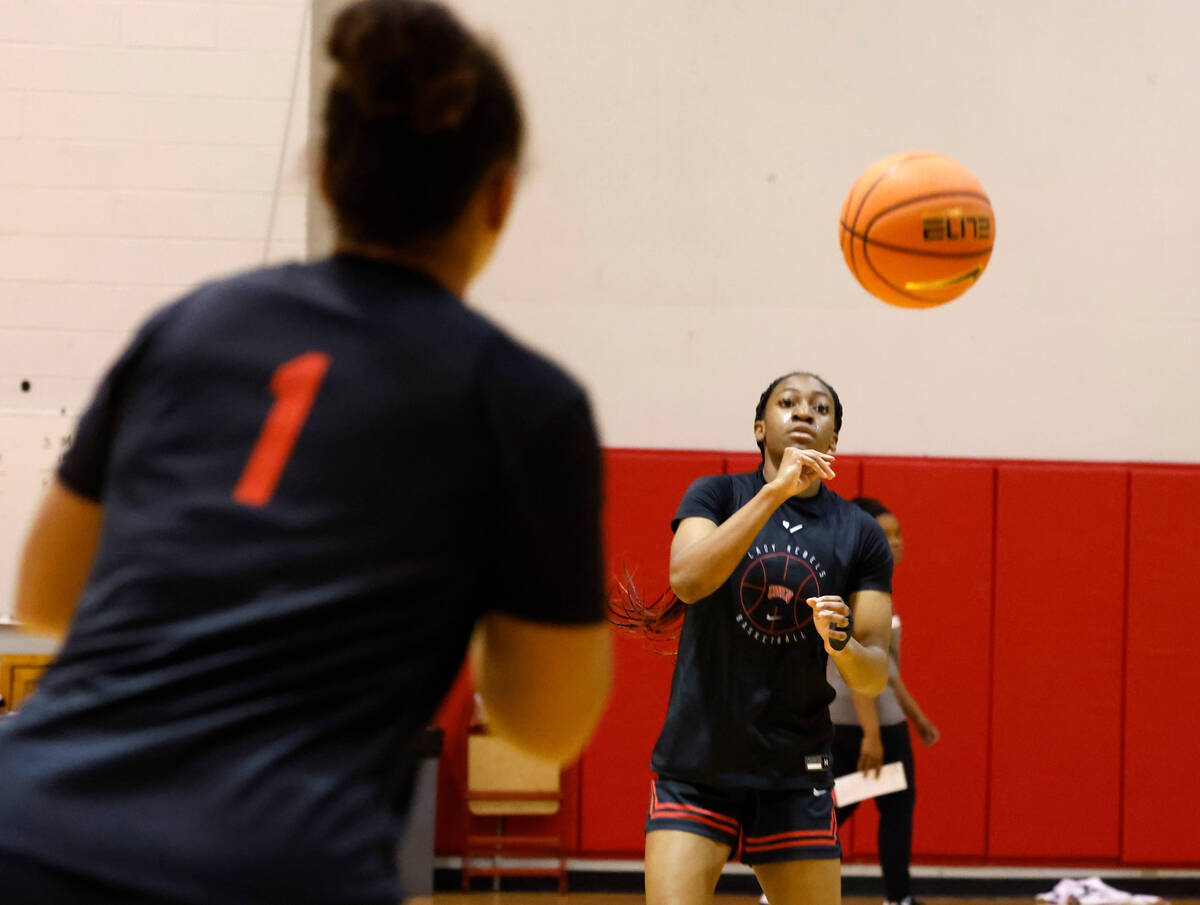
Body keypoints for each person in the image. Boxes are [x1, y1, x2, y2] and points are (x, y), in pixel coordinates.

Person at [0, 2, 612, 903]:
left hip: (28, 827)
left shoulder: (189, 326)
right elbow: (545, 723)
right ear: (498, 197)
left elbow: (46, 594)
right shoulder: (525, 402)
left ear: (324, 176)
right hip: (273, 864)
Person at [612, 372, 894, 905]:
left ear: (834, 438)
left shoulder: (860, 532)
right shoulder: (716, 494)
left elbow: (874, 673)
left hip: (796, 770)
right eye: (788, 403)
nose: (805, 413)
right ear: (760, 428)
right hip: (698, 764)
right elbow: (687, 580)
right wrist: (775, 494)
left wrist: (842, 644)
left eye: (821, 408)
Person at [826, 497, 939, 905]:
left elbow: (885, 670)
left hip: (866, 721)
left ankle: (783, 886)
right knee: (885, 807)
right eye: (883, 535)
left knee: (839, 805)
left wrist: (916, 716)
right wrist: (872, 735)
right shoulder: (860, 592)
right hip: (869, 725)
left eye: (898, 533)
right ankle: (897, 898)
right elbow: (860, 674)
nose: (895, 542)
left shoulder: (867, 586)